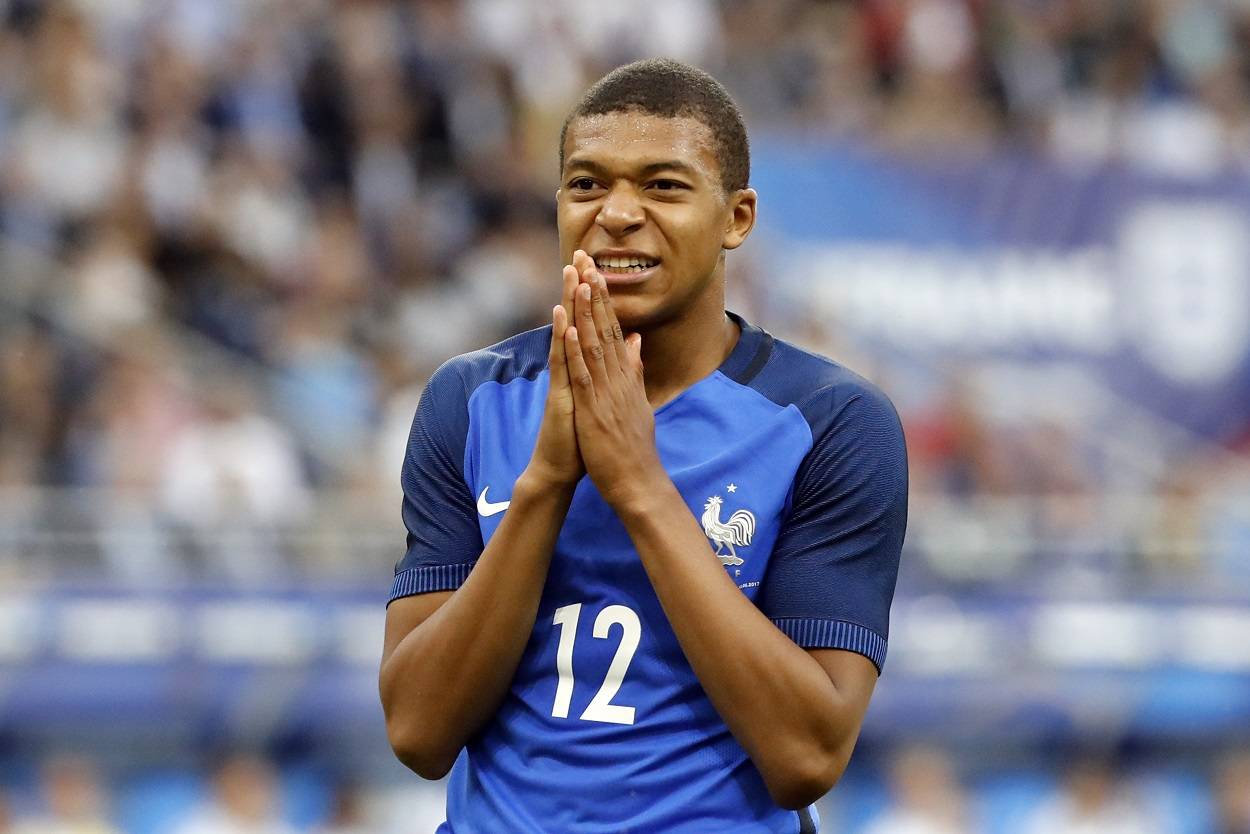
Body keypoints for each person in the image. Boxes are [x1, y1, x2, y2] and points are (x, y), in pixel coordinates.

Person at [379, 58, 908, 833]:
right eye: (586, 184)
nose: (618, 213)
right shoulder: (470, 400)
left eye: (663, 185)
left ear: (737, 218)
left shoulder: (830, 421)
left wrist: (638, 484)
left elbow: (805, 755)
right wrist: (547, 482)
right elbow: (417, 733)